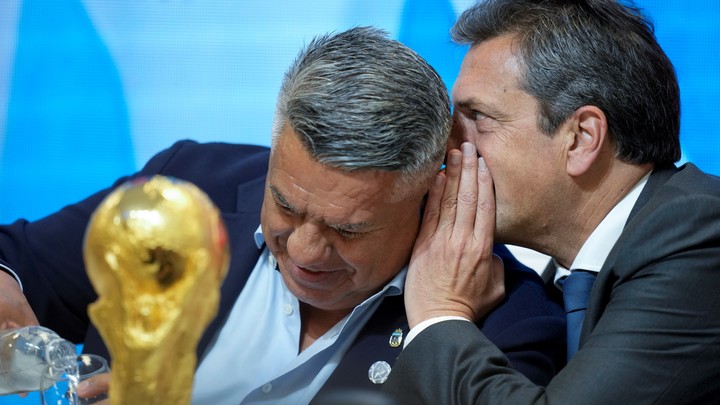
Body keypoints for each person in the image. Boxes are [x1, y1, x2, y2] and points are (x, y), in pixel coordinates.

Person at [0, 27, 566, 403]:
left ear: (432, 186)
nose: (302, 251)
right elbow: (12, 261)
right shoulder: (190, 183)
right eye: (287, 206)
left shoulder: (507, 328)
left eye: (348, 229)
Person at [382, 0, 720, 403]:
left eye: (477, 117)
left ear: (580, 139)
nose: (446, 149)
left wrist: (439, 314)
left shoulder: (698, 233)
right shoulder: (548, 289)